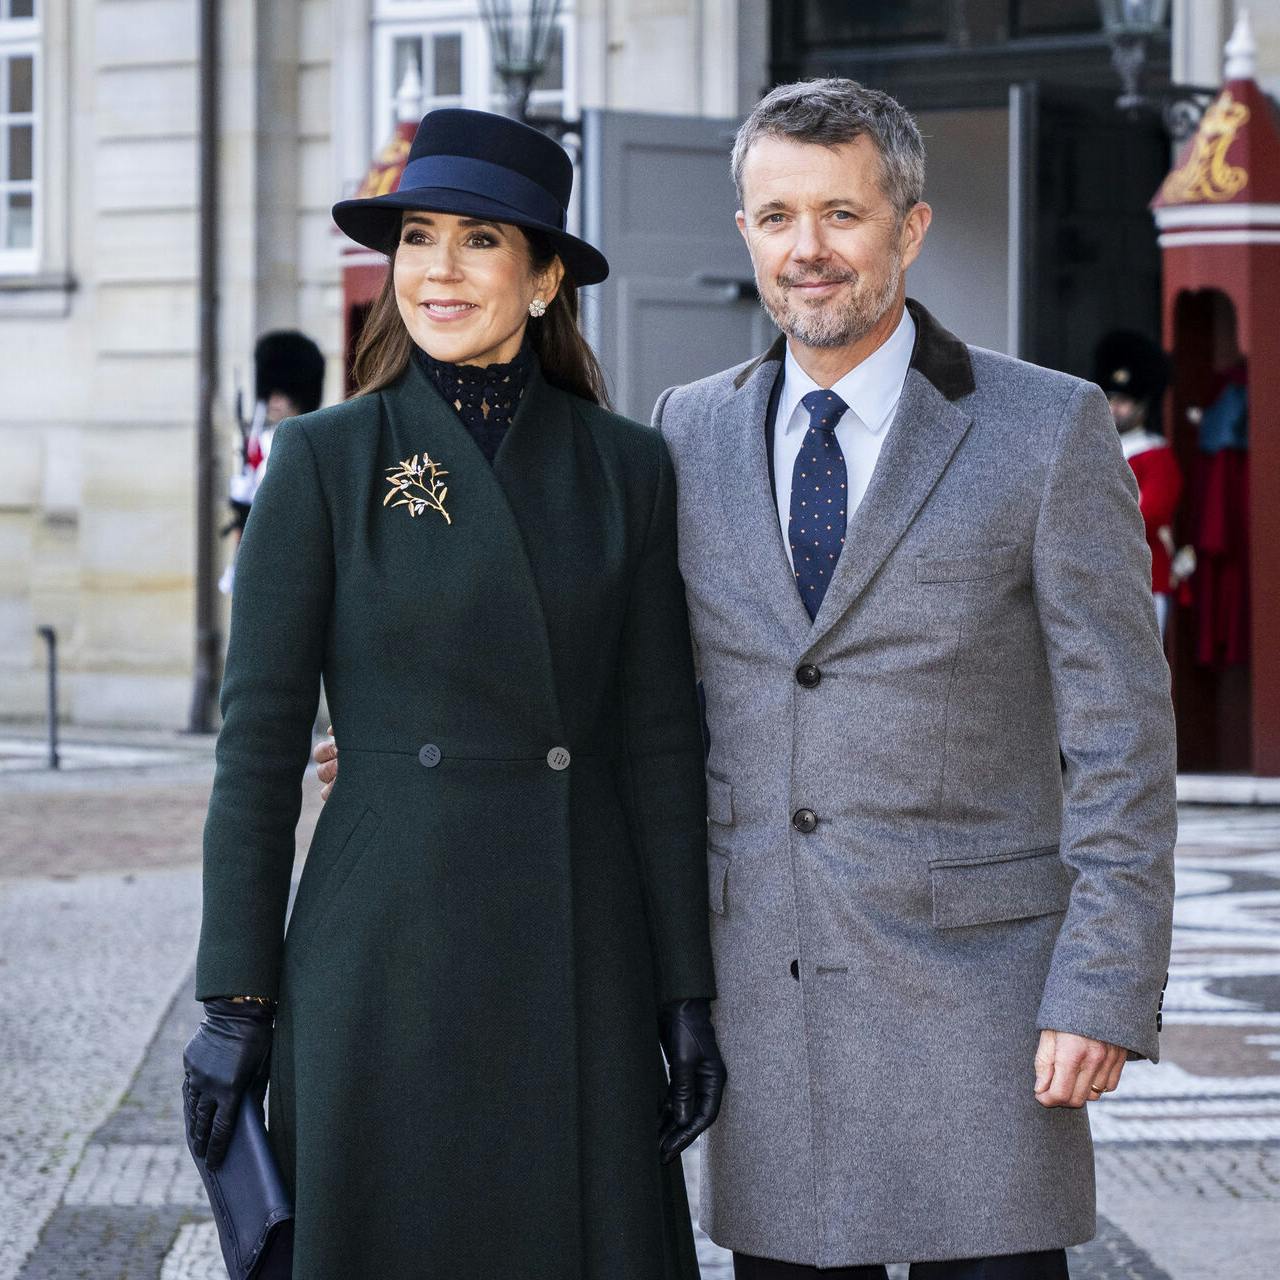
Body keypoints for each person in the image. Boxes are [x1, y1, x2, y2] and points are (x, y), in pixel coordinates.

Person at [317, 81, 1178, 1278]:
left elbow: (1122, 738)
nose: (805, 248)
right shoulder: (687, 431)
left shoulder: (1044, 429)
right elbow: (628, 686)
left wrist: (1100, 986)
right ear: (744, 233)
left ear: (909, 227)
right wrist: (442, 734)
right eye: (776, 216)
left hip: (981, 1013)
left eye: (840, 213)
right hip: (766, 1013)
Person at [183, 107, 726, 1280]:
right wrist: (235, 1000)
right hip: (384, 951)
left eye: (480, 240)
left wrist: (683, 992)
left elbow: (657, 747)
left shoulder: (626, 466)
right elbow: (258, 751)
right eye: (418, 238)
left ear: (543, 280)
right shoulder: (325, 460)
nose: (438, 269)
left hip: (578, 947)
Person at [220, 329, 326, 594]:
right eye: (270, 391)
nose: (273, 400)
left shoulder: (313, 442)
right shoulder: (262, 440)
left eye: (283, 392)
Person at [1094, 330, 1184, 638]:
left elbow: (1151, 514)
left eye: (1124, 401)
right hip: (1100, 575)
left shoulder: (1156, 454)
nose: (1114, 408)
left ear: (1144, 404)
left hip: (1144, 576)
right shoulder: (1097, 448)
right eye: (1110, 399)